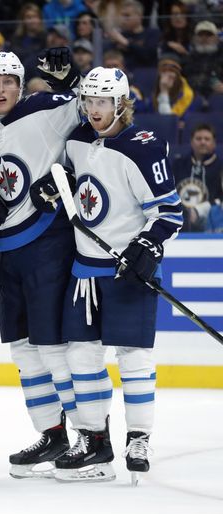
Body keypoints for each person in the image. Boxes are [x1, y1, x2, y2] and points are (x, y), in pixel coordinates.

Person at [52, 66, 183, 483]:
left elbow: (169, 212)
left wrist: (147, 245)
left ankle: (138, 437)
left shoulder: (142, 147)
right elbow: (76, 179)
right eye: (89, 101)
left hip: (127, 272)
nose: (94, 109)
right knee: (80, 356)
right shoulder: (75, 141)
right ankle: (93, 441)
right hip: (85, 271)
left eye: (102, 102)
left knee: (134, 358)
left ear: (121, 104)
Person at [0, 50, 82, 478]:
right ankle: (52, 434)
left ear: (21, 86)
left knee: (55, 350)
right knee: (24, 350)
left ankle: (91, 438)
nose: (0, 89)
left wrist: (70, 78)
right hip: (7, 256)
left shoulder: (44, 109)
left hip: (49, 245)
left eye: (8, 81)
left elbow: (95, 108)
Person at [173, 123, 223, 232]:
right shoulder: (178, 164)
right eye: (198, 139)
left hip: (211, 222)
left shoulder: (221, 167)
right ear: (191, 142)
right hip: (179, 219)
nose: (203, 142)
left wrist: (200, 210)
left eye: (207, 139)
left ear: (214, 143)